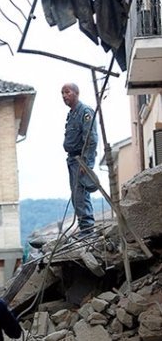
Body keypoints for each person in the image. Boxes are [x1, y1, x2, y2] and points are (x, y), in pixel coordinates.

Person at [61, 83, 98, 236]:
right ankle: (84, 229)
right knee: (76, 196)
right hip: (72, 160)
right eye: (62, 93)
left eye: (67, 92)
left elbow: (91, 139)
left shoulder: (85, 112)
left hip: (80, 160)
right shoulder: (72, 114)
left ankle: (87, 230)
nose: (64, 96)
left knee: (81, 195)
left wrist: (86, 163)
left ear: (76, 93)